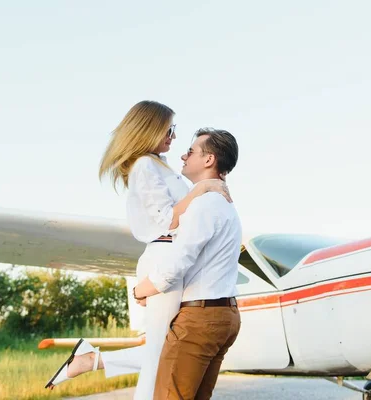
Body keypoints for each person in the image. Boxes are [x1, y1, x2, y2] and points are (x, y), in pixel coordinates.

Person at [44, 101, 231, 400]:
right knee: (160, 353)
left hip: (168, 256)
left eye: (174, 129)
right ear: (149, 129)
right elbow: (166, 219)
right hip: (163, 254)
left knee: (164, 349)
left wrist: (211, 186)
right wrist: (201, 190)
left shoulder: (158, 164)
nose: (172, 136)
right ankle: (88, 361)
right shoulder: (145, 165)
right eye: (167, 129)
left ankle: (89, 361)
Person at [134, 128, 242, 400]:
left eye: (191, 151)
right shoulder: (225, 204)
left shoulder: (204, 205)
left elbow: (178, 260)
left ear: (209, 160)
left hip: (200, 318)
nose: (183, 155)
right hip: (225, 314)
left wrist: (143, 289)